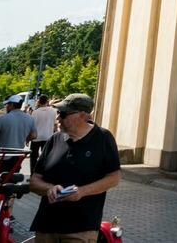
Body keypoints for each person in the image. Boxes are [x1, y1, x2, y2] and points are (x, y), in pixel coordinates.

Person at [29, 93, 121, 243]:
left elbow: (114, 178)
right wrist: (49, 189)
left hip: (81, 229)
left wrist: (82, 192)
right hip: (46, 227)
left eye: (63, 113)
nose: (58, 117)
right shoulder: (55, 139)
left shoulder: (103, 138)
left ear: (83, 115)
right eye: (58, 113)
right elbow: (34, 181)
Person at [30, 94, 57, 169]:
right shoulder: (53, 111)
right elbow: (55, 125)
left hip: (36, 137)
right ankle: (44, 172)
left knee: (33, 156)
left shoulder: (35, 112)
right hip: (48, 136)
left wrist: (29, 137)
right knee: (46, 156)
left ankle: (33, 172)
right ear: (47, 101)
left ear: (39, 102)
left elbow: (32, 126)